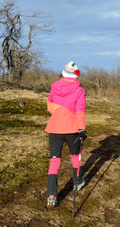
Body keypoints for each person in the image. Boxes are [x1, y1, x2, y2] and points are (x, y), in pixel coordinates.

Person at [44, 61, 87, 207]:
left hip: (54, 128)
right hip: (72, 129)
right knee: (75, 156)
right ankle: (77, 182)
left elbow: (50, 107)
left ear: (63, 73)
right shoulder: (79, 90)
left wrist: (59, 113)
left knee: (54, 161)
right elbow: (80, 110)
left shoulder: (54, 87)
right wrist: (82, 129)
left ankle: (51, 195)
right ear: (75, 75)